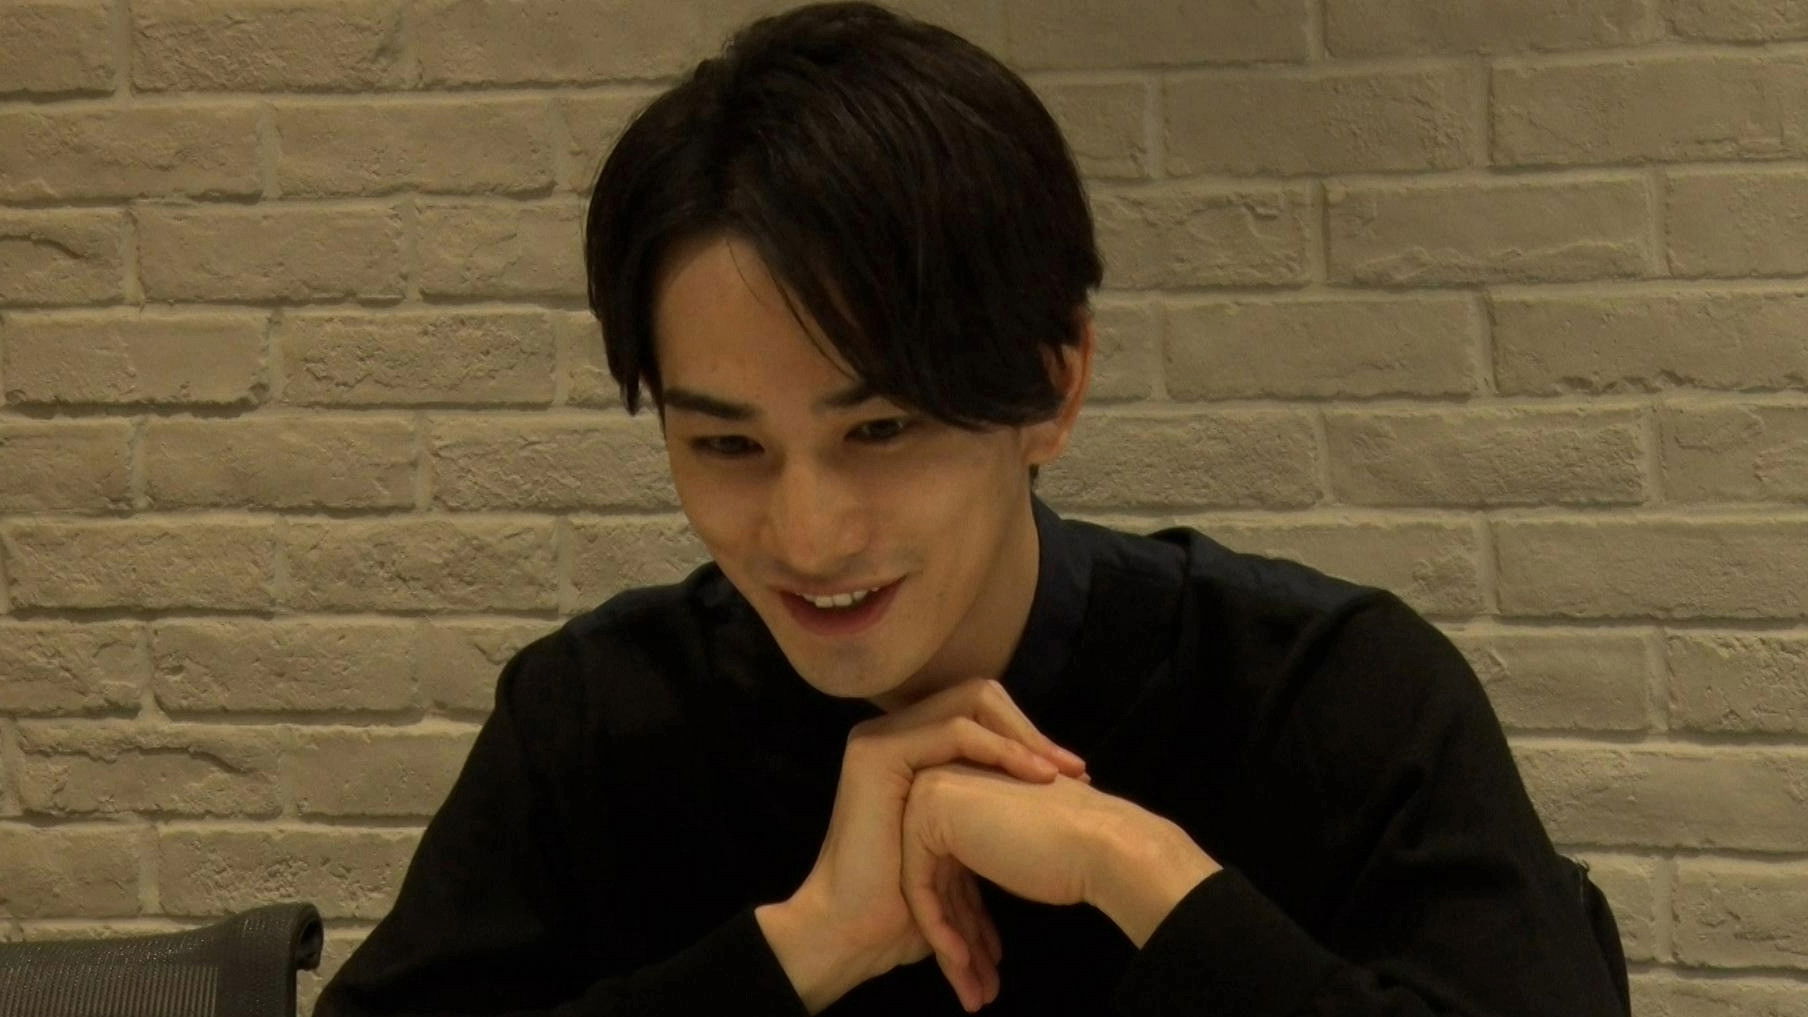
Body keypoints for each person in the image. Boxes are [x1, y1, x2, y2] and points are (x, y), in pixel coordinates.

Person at [314, 4, 1631, 1015]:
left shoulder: (1331, 696)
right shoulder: (595, 725)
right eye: (727, 444)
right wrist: (808, 942)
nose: (808, 534)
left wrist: (1137, 872)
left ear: (1052, 389)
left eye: (881, 430)